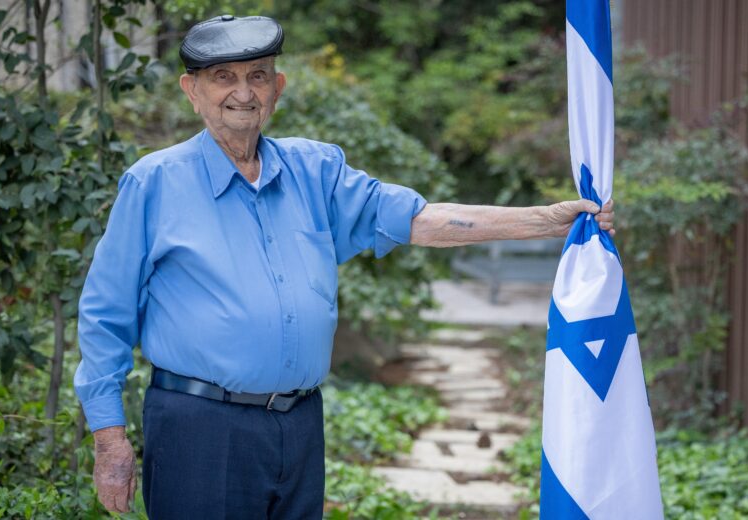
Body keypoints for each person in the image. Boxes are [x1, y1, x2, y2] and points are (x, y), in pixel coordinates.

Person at [73, 14, 615, 519]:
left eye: (258, 76)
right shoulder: (155, 182)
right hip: (201, 430)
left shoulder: (316, 170)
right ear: (193, 92)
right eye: (223, 78)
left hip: (299, 425)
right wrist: (109, 437)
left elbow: (423, 220)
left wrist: (547, 220)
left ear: (277, 89)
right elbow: (106, 313)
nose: (243, 92)